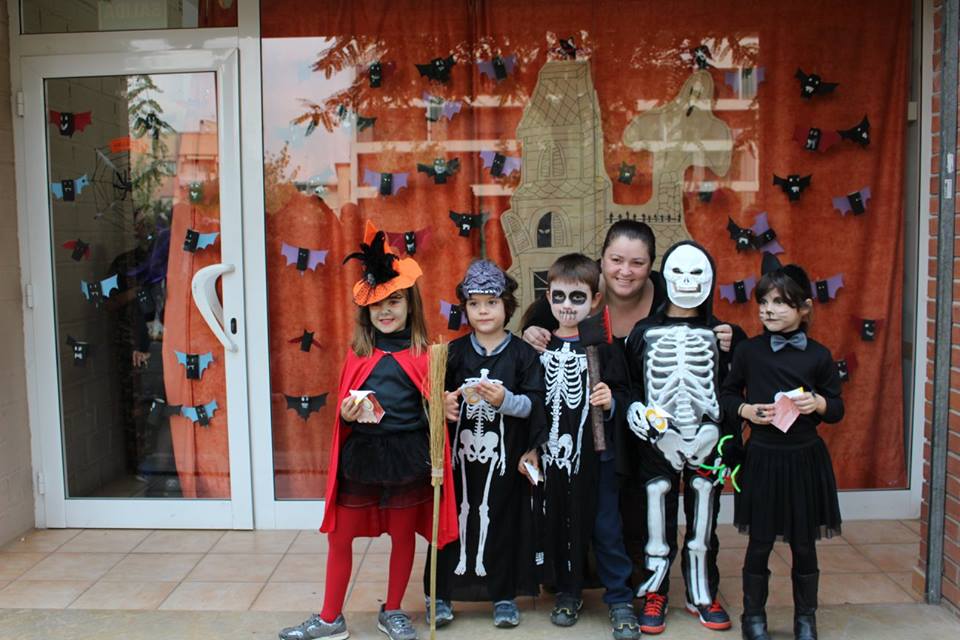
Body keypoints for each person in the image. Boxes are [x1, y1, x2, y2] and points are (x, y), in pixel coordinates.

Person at [279, 223, 457, 640]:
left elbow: (433, 410)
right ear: (366, 311)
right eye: (377, 304)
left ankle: (392, 610)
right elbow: (345, 411)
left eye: (394, 301)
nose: (386, 311)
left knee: (402, 536)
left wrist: (443, 410)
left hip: (407, 457)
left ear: (410, 305)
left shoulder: (425, 355)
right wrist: (345, 413)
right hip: (362, 456)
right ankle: (330, 618)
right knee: (340, 537)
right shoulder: (359, 353)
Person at [718, 253, 843, 640]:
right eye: (764, 301)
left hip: (805, 459)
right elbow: (726, 394)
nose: (768, 310)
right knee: (759, 543)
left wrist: (818, 403)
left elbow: (836, 408)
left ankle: (806, 618)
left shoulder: (819, 355)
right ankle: (753, 617)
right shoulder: (749, 352)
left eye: (780, 303)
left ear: (804, 309)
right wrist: (746, 410)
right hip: (762, 457)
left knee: (804, 545)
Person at [624, 241, 745, 634]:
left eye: (697, 273)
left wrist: (723, 436)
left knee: (704, 521)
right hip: (658, 442)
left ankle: (702, 592)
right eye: (680, 272)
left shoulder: (724, 334)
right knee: (655, 514)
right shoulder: (643, 332)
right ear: (665, 277)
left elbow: (735, 388)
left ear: (710, 279)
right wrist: (634, 410)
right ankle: (654, 591)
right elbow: (630, 384)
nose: (688, 281)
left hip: (707, 437)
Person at [423, 259, 546, 629]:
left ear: (506, 306)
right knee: (450, 519)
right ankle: (439, 594)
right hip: (457, 459)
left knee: (504, 520)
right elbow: (431, 398)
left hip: (502, 457)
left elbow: (535, 404)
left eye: (491, 303)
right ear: (465, 309)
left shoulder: (524, 355)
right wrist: (442, 406)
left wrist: (505, 401)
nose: (483, 311)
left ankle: (503, 595)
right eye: (474, 304)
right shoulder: (451, 353)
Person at [537, 253, 640, 640]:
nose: (567, 306)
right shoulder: (539, 346)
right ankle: (568, 591)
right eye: (560, 296)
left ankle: (619, 598)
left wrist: (612, 402)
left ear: (595, 300)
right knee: (563, 526)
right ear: (548, 297)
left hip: (598, 459)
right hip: (553, 459)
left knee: (606, 528)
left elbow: (628, 396)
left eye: (577, 297)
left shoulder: (605, 347)